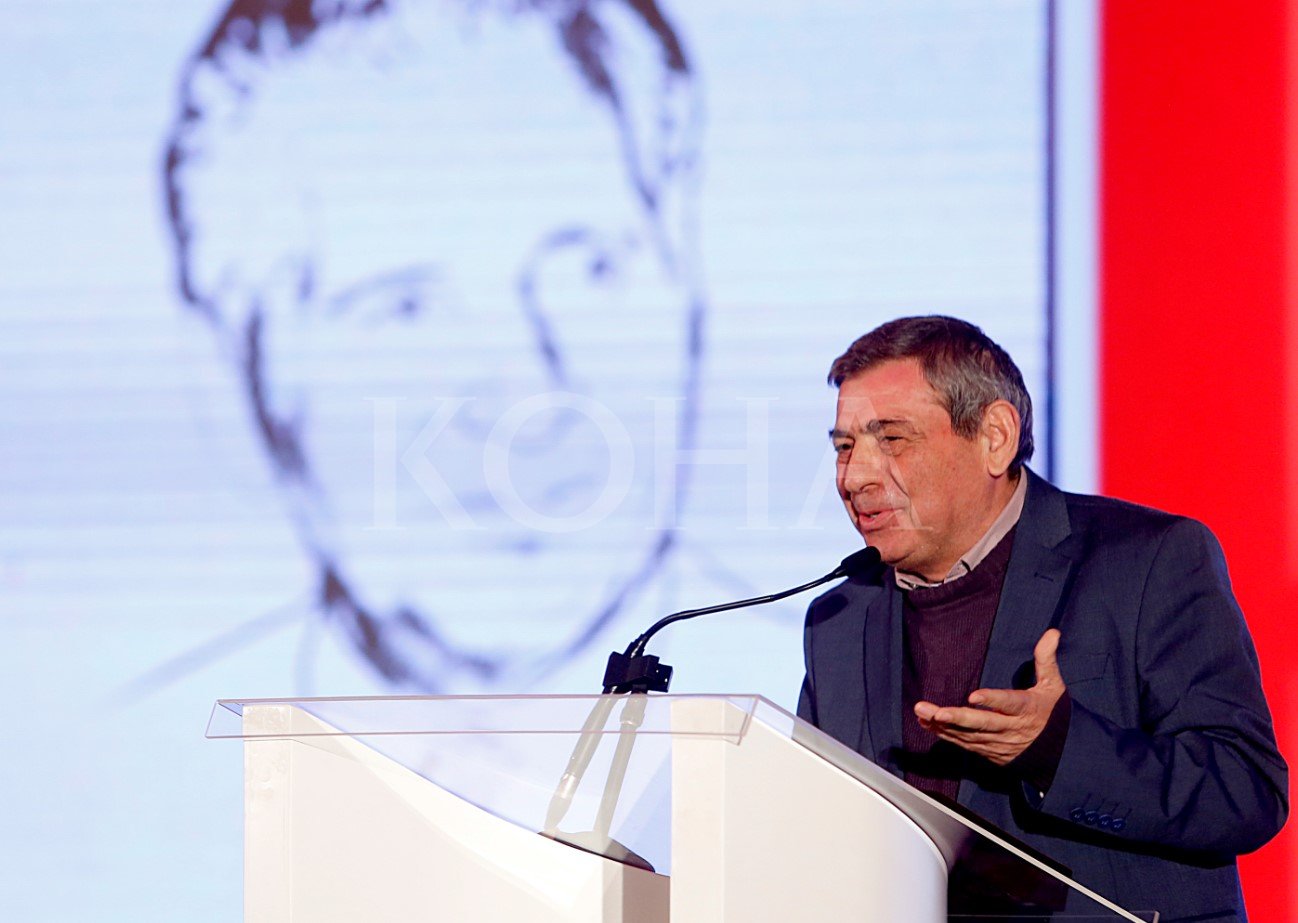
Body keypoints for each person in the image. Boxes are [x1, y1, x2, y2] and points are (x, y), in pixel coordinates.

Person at [159, 0, 708, 692]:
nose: (528, 402)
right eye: (405, 311)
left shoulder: (822, 703)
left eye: (589, 270)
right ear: (251, 378)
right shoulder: (171, 735)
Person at [798, 315, 1288, 919]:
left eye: (892, 439)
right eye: (844, 447)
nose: (854, 477)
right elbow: (814, 827)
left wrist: (1060, 751)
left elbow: (1246, 791)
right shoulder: (840, 618)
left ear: (995, 437)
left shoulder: (1147, 560)